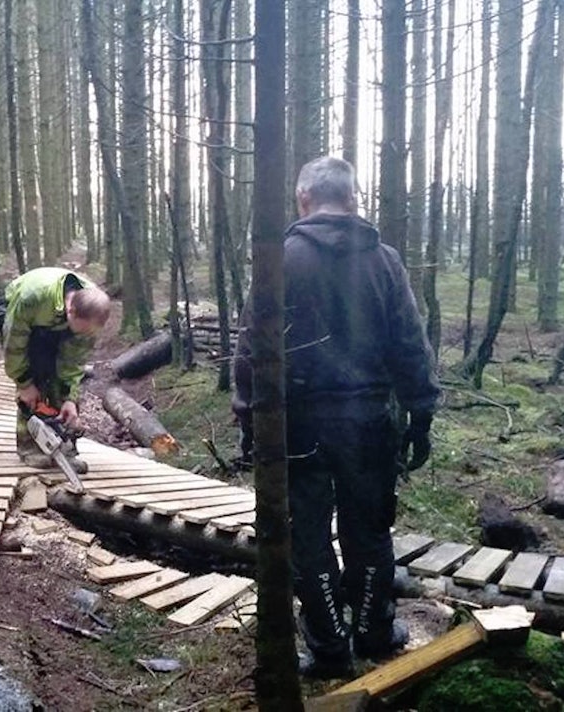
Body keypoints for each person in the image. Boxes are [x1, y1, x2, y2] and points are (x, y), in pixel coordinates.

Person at [233, 156, 440, 678]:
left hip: (298, 425)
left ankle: (329, 646)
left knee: (308, 535)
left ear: (303, 200)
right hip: (369, 421)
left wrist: (247, 418)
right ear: (352, 199)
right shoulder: (386, 261)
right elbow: (409, 343)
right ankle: (373, 632)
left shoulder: (280, 259)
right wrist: (420, 412)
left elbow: (251, 349)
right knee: (368, 529)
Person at [0, 267, 111, 471]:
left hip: (55, 320)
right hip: (18, 312)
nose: (87, 335)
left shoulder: (91, 312)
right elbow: (14, 346)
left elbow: (74, 361)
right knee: (38, 372)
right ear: (71, 311)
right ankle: (29, 447)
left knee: (61, 383)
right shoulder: (31, 298)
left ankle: (65, 447)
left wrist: (70, 397)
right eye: (84, 330)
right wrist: (24, 383)